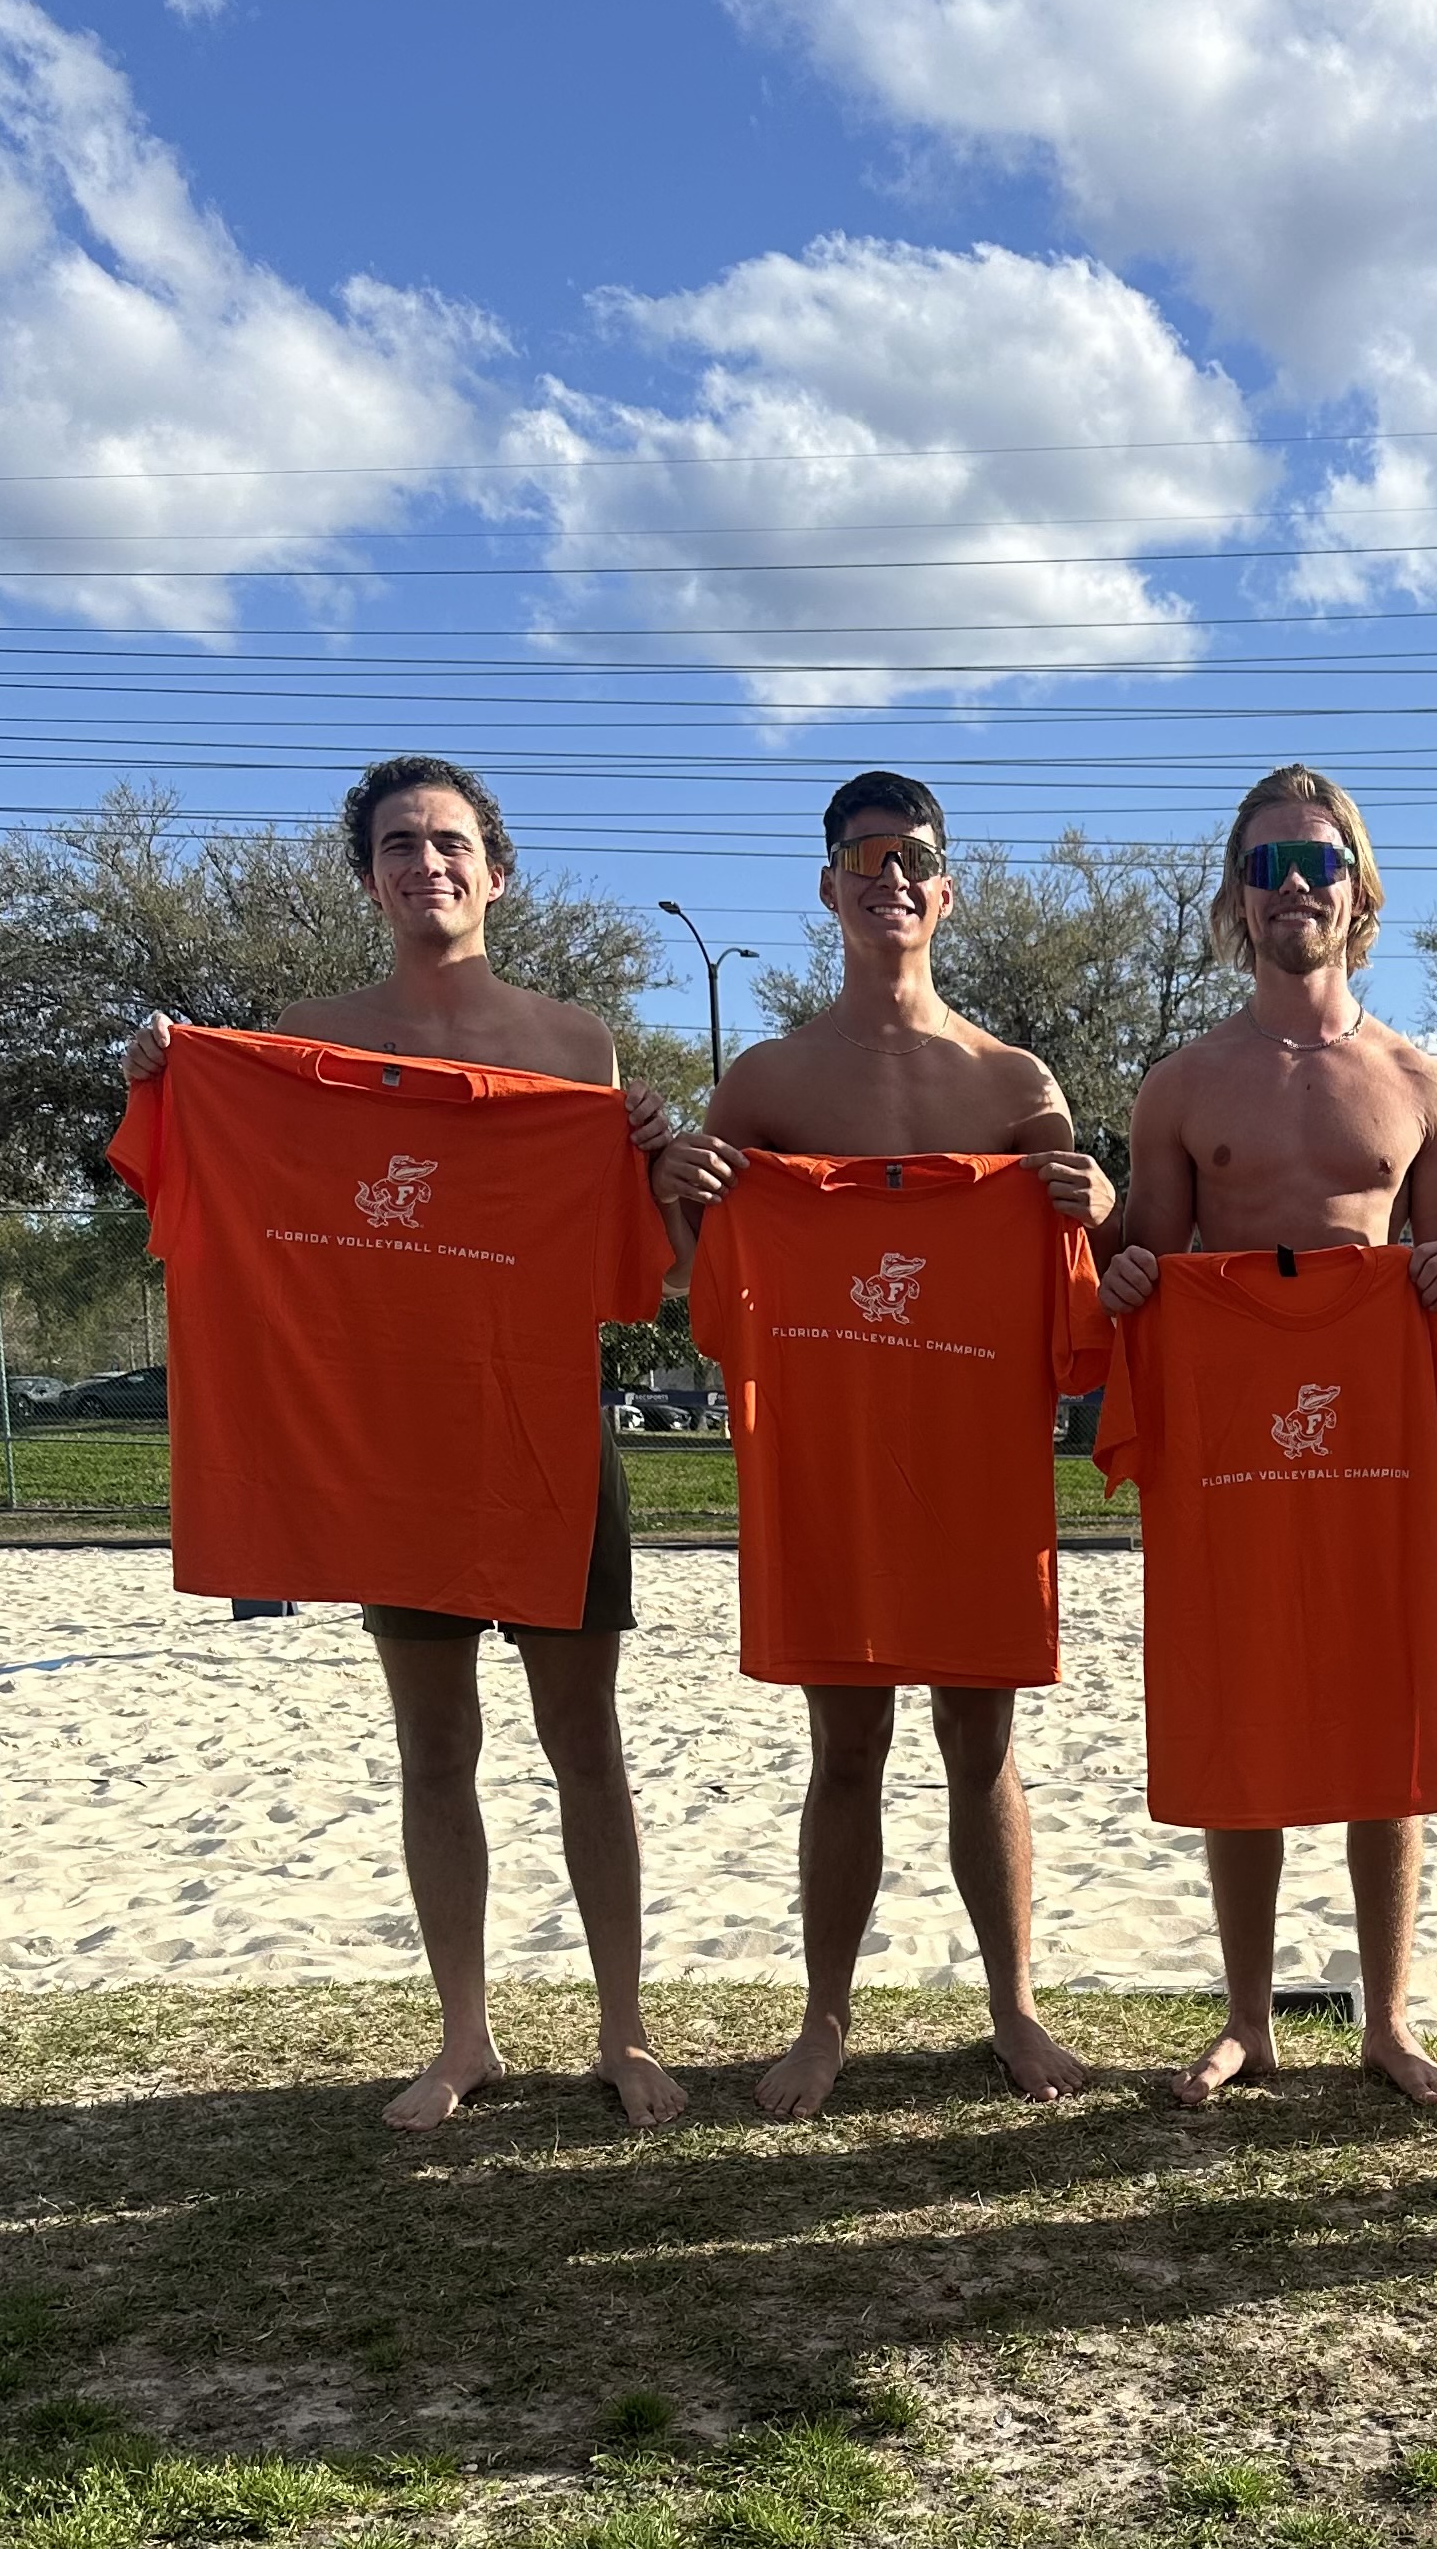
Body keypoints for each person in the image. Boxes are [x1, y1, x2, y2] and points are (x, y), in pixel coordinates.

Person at [123, 756, 690, 2132]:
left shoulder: (575, 1049)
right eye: (397, 843)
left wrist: (658, 1157)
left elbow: (640, 1282)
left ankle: (623, 2030)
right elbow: (198, 1182)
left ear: (496, 870)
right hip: (392, 1450)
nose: (424, 862)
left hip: (547, 1441)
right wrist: (166, 1074)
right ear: (366, 874)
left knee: (586, 1745)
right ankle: (464, 2037)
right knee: (434, 1747)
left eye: (448, 842)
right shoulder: (304, 1040)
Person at [647, 771, 1115, 2115]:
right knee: (843, 1747)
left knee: (984, 1745)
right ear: (829, 888)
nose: (888, 875)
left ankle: (1015, 2008)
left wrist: (1097, 1194)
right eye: (862, 855)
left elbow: (1078, 1258)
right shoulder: (773, 1080)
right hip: (831, 1464)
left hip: (975, 1467)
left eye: (911, 856)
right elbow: (698, 1282)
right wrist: (685, 1190)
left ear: (944, 889)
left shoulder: (1016, 1083)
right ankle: (825, 2019)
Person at [1097, 763, 1437, 2106]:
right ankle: (1249, 2015)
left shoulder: (1425, 1085)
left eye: (1315, 863)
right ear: (1234, 901)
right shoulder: (1181, 1086)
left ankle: (1387, 2017)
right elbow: (1145, 1264)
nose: (1292, 889)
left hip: (1367, 1441)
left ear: (1360, 890)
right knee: (1238, 1708)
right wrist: (1127, 1274)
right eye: (1264, 868)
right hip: (1229, 1445)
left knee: (1381, 1712)